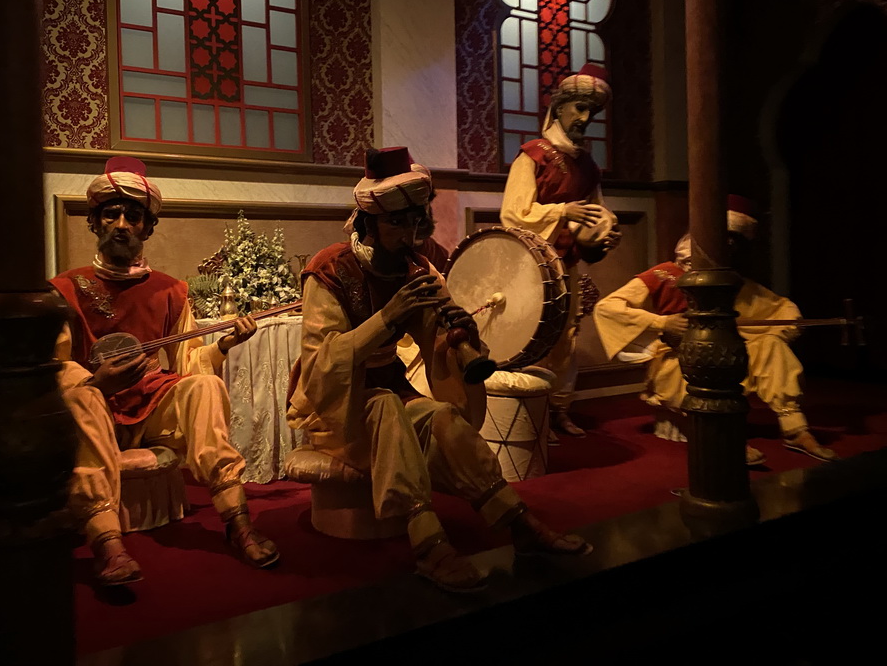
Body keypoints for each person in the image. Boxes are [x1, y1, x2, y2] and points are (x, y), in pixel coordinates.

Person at [288, 146, 591, 594]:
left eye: (415, 221)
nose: (409, 233)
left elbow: (437, 341)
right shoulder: (328, 271)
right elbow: (321, 363)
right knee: (389, 406)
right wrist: (389, 317)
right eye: (397, 223)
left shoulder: (417, 267)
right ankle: (427, 542)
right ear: (369, 222)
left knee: (443, 417)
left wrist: (461, 335)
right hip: (332, 403)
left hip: (387, 388)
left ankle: (517, 522)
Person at [51, 156, 279, 586]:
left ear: (147, 227)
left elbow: (189, 362)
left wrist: (225, 345)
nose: (121, 223)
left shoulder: (172, 290)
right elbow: (56, 369)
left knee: (205, 386)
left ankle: (237, 519)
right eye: (111, 213)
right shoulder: (64, 289)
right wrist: (96, 383)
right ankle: (107, 541)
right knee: (75, 387)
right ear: (94, 222)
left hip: (152, 408)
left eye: (133, 216)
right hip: (92, 414)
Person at [592, 197, 838, 465]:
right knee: (699, 358)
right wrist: (662, 323)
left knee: (770, 345)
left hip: (724, 355)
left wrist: (782, 330)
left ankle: (794, 428)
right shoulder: (665, 274)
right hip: (679, 359)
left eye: (734, 241)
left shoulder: (732, 280)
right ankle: (722, 434)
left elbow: (782, 310)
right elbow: (608, 308)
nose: (728, 245)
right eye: (724, 238)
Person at [501, 64, 621, 440]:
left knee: (566, 335)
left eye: (592, 112)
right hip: (531, 265)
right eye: (579, 109)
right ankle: (532, 410)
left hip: (566, 263)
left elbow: (597, 213)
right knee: (535, 334)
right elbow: (512, 215)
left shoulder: (588, 166)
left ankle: (559, 408)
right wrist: (560, 211)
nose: (585, 118)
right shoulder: (533, 157)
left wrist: (605, 233)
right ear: (560, 108)